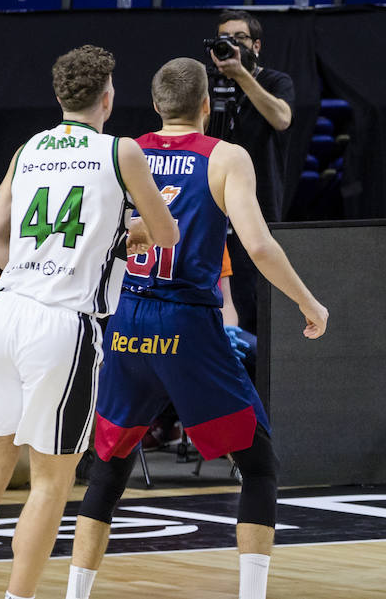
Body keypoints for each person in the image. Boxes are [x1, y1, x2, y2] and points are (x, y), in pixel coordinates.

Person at [65, 57, 328, 599]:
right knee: (259, 466)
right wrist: (308, 301)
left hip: (127, 320)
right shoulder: (226, 156)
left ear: (157, 105)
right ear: (206, 104)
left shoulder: (123, 151)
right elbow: (256, 245)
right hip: (187, 324)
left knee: (109, 468)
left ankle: (75, 593)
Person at [0, 45, 178, 599]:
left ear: (57, 96)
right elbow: (166, 233)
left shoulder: (26, 151)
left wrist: (40, 262)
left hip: (4, 313)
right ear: (108, 97)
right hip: (62, 324)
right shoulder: (121, 151)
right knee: (51, 482)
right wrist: (120, 240)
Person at [205, 10, 295, 333]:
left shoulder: (274, 81)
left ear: (256, 46)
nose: (231, 45)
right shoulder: (207, 83)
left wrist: (241, 76)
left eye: (239, 39)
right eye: (224, 39)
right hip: (213, 206)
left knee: (255, 302)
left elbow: (282, 119)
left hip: (259, 207)